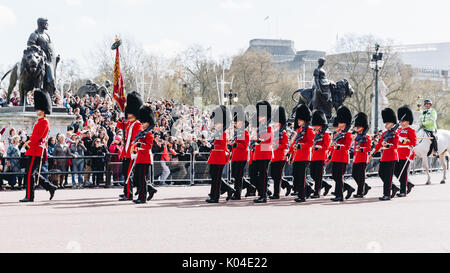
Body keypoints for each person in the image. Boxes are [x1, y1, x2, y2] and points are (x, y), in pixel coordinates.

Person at [20, 90, 57, 202]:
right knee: (33, 173)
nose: (38, 111)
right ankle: (50, 187)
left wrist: (26, 144)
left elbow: (37, 138)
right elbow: (34, 136)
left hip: (36, 150)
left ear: (44, 110)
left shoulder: (44, 122)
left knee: (30, 174)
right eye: (37, 109)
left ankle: (29, 196)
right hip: (34, 149)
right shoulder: (39, 121)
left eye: (40, 109)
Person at [368, 108, 400, 201]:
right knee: (381, 174)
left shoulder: (395, 133)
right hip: (384, 157)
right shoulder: (385, 133)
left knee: (388, 176)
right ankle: (393, 187)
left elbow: (395, 145)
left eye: (387, 123)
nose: (385, 125)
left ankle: (387, 194)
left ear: (392, 123)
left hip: (391, 157)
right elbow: (379, 144)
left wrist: (388, 145)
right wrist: (372, 153)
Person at [117, 92, 144, 201]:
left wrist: (134, 152)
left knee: (129, 175)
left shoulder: (137, 124)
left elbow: (137, 138)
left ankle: (129, 194)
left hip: (132, 153)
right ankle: (126, 192)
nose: (128, 114)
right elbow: (120, 125)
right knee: (125, 174)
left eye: (129, 113)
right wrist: (121, 116)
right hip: (126, 152)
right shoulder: (130, 123)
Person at [205, 106, 234, 203]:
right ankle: (227, 189)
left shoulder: (223, 134)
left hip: (219, 157)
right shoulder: (218, 133)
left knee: (216, 178)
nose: (216, 124)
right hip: (215, 157)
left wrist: (212, 145)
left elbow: (221, 146)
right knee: (213, 176)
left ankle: (215, 197)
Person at [327, 106, 355, 202]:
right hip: (335, 157)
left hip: (342, 158)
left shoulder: (348, 134)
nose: (339, 125)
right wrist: (329, 156)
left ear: (345, 123)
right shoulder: (337, 134)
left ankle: (339, 195)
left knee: (338, 177)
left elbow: (347, 147)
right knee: (335, 176)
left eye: (341, 123)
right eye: (339, 123)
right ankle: (347, 188)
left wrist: (337, 145)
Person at [288, 104, 314, 203]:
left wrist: (300, 146)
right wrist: (290, 153)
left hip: (305, 156)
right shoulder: (300, 130)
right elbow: (294, 143)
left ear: (304, 119)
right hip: (297, 156)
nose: (297, 121)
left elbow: (311, 142)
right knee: (297, 176)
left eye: (299, 120)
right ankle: (308, 189)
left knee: (301, 177)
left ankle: (302, 195)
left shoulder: (309, 130)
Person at [131, 104, 156, 204]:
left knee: (142, 180)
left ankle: (142, 198)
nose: (142, 124)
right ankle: (142, 195)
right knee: (139, 179)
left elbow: (148, 146)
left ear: (148, 122)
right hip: (140, 158)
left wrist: (139, 143)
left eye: (144, 122)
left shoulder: (149, 134)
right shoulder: (142, 133)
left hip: (145, 159)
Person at [253, 101, 274, 203]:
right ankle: (264, 191)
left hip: (265, 154)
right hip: (258, 154)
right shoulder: (259, 128)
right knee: (254, 174)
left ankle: (263, 196)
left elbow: (269, 140)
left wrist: (259, 140)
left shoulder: (269, 127)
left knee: (263, 175)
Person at [270, 106, 293, 199]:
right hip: (274, 157)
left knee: (277, 176)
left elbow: (285, 145)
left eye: (276, 122)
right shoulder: (274, 132)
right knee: (273, 175)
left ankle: (276, 194)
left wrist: (276, 146)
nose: (274, 124)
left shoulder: (283, 133)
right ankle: (287, 185)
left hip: (280, 157)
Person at [310, 110, 332, 199]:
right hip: (314, 157)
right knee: (312, 175)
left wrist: (319, 147)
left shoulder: (325, 134)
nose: (314, 127)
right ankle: (326, 185)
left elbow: (326, 146)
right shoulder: (316, 133)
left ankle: (317, 192)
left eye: (316, 125)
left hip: (321, 157)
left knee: (318, 176)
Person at [395, 106, 417, 197]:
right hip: (397, 154)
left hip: (406, 154)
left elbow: (413, 142)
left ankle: (403, 191)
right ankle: (408, 183)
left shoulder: (411, 130)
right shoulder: (399, 130)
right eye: (401, 121)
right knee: (396, 171)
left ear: (408, 121)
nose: (402, 123)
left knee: (403, 173)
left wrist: (403, 140)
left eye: (403, 121)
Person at [230, 105, 250, 200]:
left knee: (238, 176)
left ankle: (237, 194)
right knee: (236, 175)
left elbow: (245, 145)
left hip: (241, 157)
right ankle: (250, 187)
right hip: (236, 156)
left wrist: (235, 144)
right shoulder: (237, 132)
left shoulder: (244, 132)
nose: (235, 123)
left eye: (236, 121)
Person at [351, 113, 372, 198]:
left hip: (363, 158)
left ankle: (360, 192)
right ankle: (364, 186)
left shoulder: (366, 137)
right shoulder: (357, 137)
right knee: (354, 174)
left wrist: (361, 149)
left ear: (362, 127)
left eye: (358, 126)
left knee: (361, 176)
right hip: (357, 158)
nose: (356, 128)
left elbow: (368, 148)